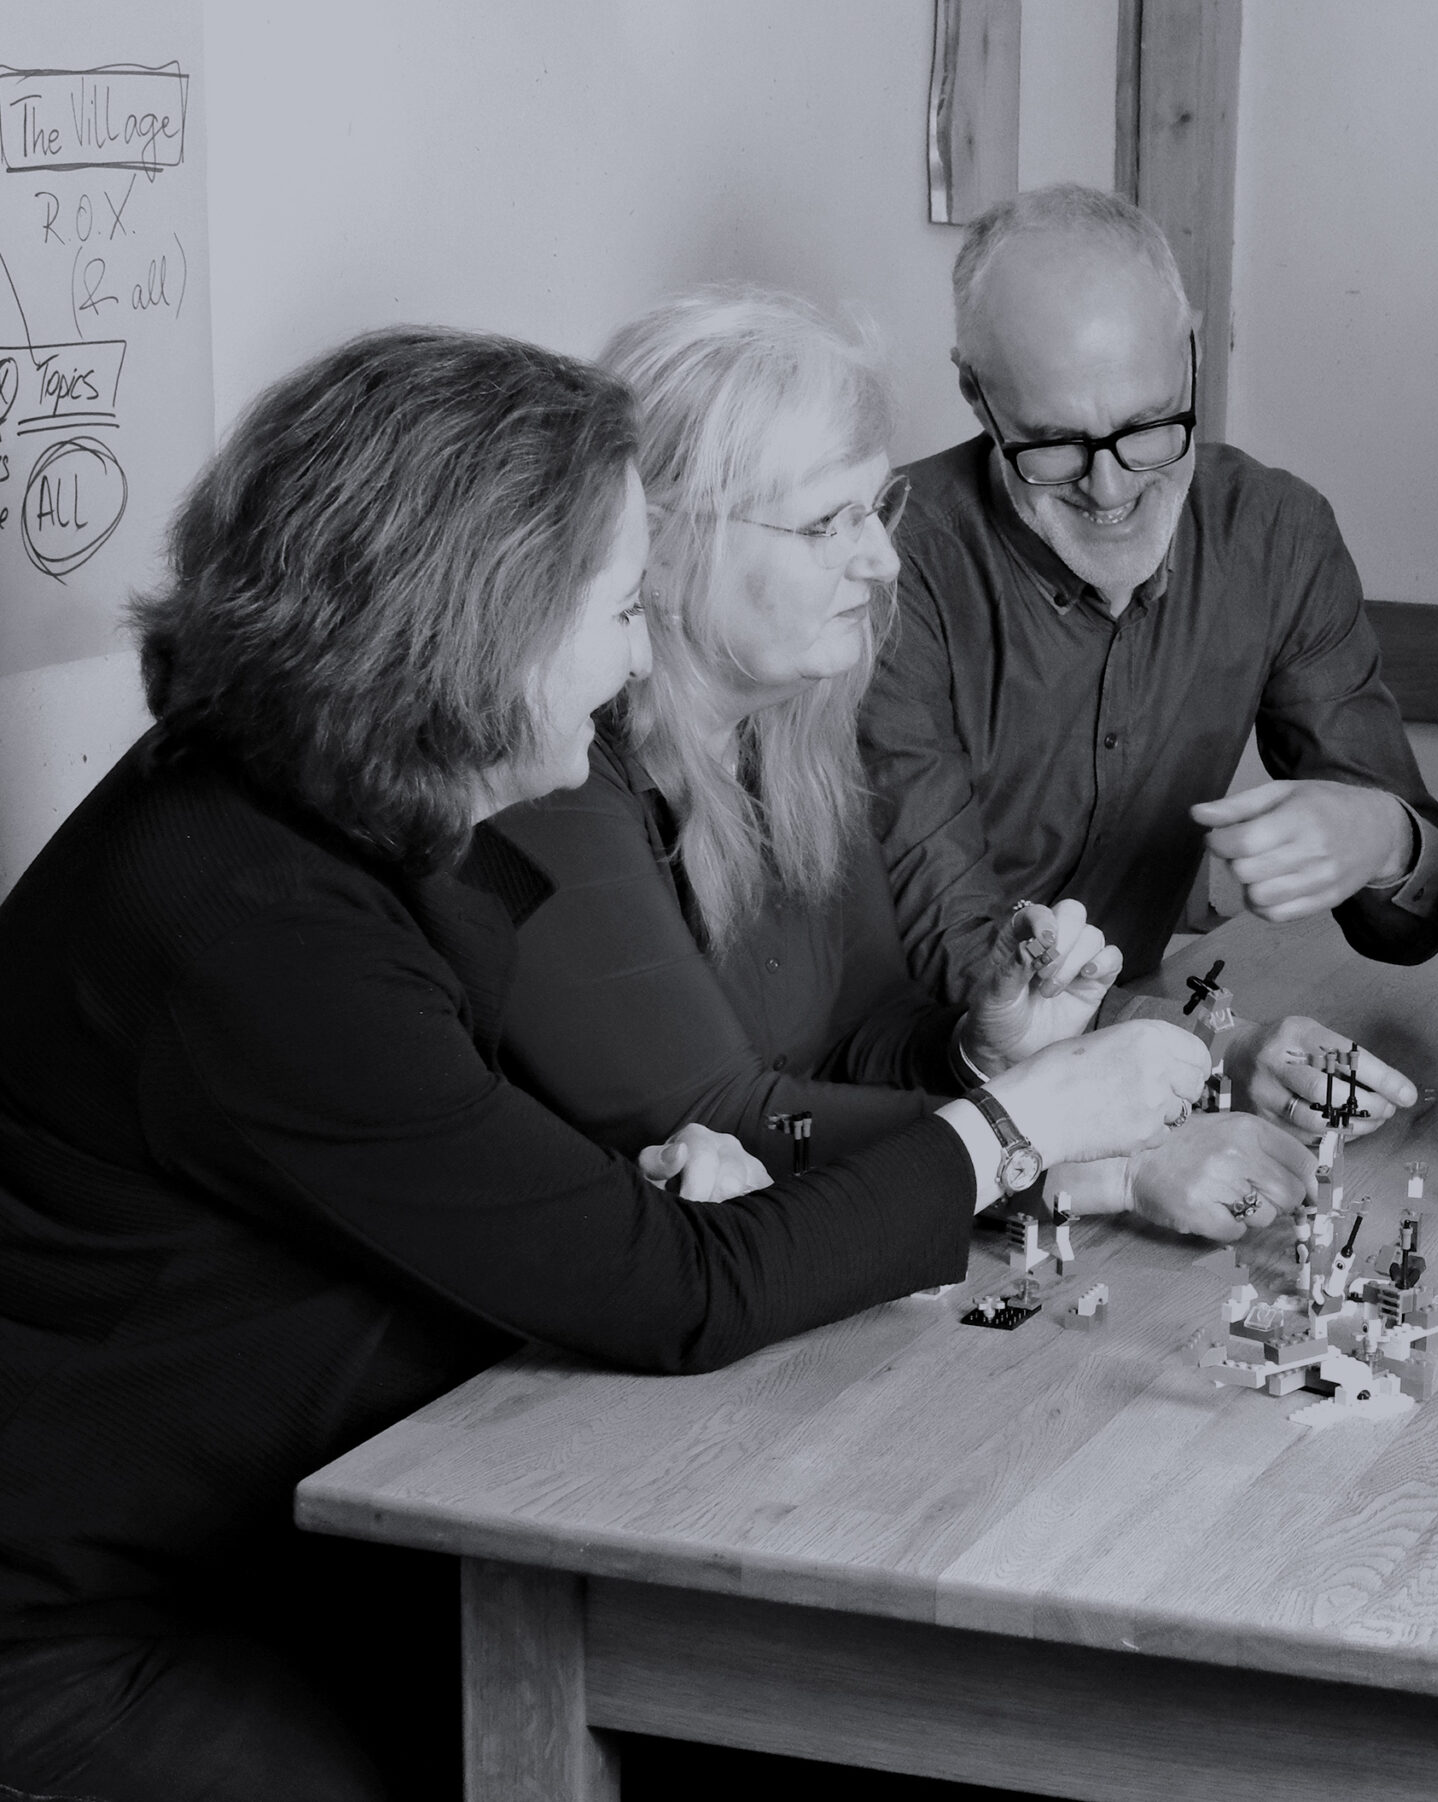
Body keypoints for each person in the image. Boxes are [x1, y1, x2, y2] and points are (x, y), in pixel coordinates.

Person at [0, 327, 1207, 1802]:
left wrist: (621, 1178)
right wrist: (1014, 1128)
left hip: (292, 1522)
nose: (641, 656)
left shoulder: (356, 796)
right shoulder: (254, 922)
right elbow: (674, 1295)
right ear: (475, 629)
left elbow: (446, 1148)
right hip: (90, 1624)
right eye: (624, 609)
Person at [492, 287, 1312, 1237]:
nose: (883, 560)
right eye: (826, 524)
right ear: (665, 546)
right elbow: (725, 1119)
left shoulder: (793, 727)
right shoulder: (554, 777)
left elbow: (864, 1032)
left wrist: (984, 1051)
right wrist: (1084, 1156)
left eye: (877, 507)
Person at [865, 182, 1438, 1145]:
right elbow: (948, 952)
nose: (1111, 489)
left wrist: (1386, 838)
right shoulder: (886, 565)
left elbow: (1416, 926)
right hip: (902, 1092)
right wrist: (1209, 1047)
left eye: (1150, 426)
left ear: (1190, 353)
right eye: (1055, 446)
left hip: (1126, 1065)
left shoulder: (1274, 534)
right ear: (977, 395)